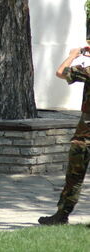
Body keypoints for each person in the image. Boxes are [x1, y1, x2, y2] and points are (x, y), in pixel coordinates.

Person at [38, 47, 90, 225]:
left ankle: (62, 215)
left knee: (74, 177)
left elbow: (61, 72)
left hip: (85, 135)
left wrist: (72, 55)